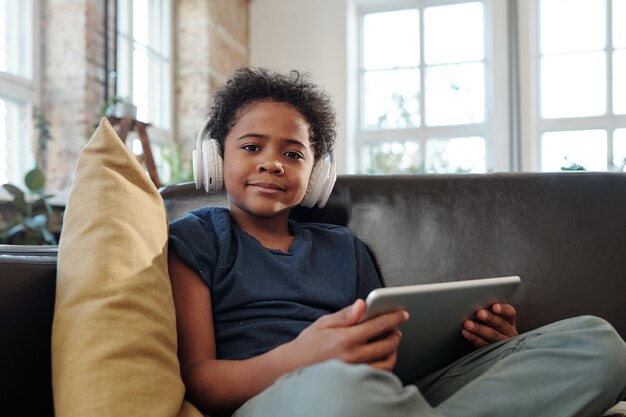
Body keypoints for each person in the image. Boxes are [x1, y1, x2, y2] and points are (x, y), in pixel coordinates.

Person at [168, 67, 626, 417]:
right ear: (213, 157)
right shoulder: (198, 238)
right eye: (251, 147)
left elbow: (391, 350)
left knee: (596, 343)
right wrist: (299, 358)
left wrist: (483, 346)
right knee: (347, 391)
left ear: (317, 174)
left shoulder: (342, 247)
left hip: (386, 391)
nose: (273, 164)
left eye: (293, 153)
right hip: (288, 397)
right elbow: (201, 380)